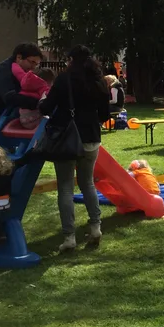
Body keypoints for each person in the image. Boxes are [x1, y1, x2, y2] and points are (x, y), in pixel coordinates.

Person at [39, 45, 111, 251]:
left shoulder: (64, 79)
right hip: (91, 138)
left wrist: (42, 101)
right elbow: (105, 115)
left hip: (66, 139)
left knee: (65, 188)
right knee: (88, 183)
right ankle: (95, 227)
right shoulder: (100, 81)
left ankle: (69, 237)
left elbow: (46, 107)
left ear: (71, 59)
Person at [0, 42, 43, 143]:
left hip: (9, 123)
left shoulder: (21, 72)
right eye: (32, 62)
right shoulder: (4, 71)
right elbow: (10, 97)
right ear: (19, 57)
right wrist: (38, 103)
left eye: (36, 64)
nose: (33, 67)